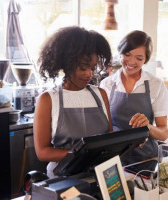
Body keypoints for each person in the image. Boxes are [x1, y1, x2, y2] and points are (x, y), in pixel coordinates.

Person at [34, 26, 112, 178]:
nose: (89, 74)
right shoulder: (48, 99)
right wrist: (80, 155)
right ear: (67, 64)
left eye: (92, 68)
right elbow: (42, 152)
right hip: (62, 178)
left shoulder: (100, 94)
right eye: (83, 68)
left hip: (98, 176)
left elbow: (109, 138)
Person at [100, 30, 168, 166]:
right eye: (127, 55)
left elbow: (163, 133)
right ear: (120, 53)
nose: (131, 62)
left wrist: (148, 127)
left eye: (139, 58)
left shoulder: (156, 85)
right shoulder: (106, 84)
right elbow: (102, 128)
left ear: (145, 60)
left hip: (147, 159)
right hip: (114, 160)